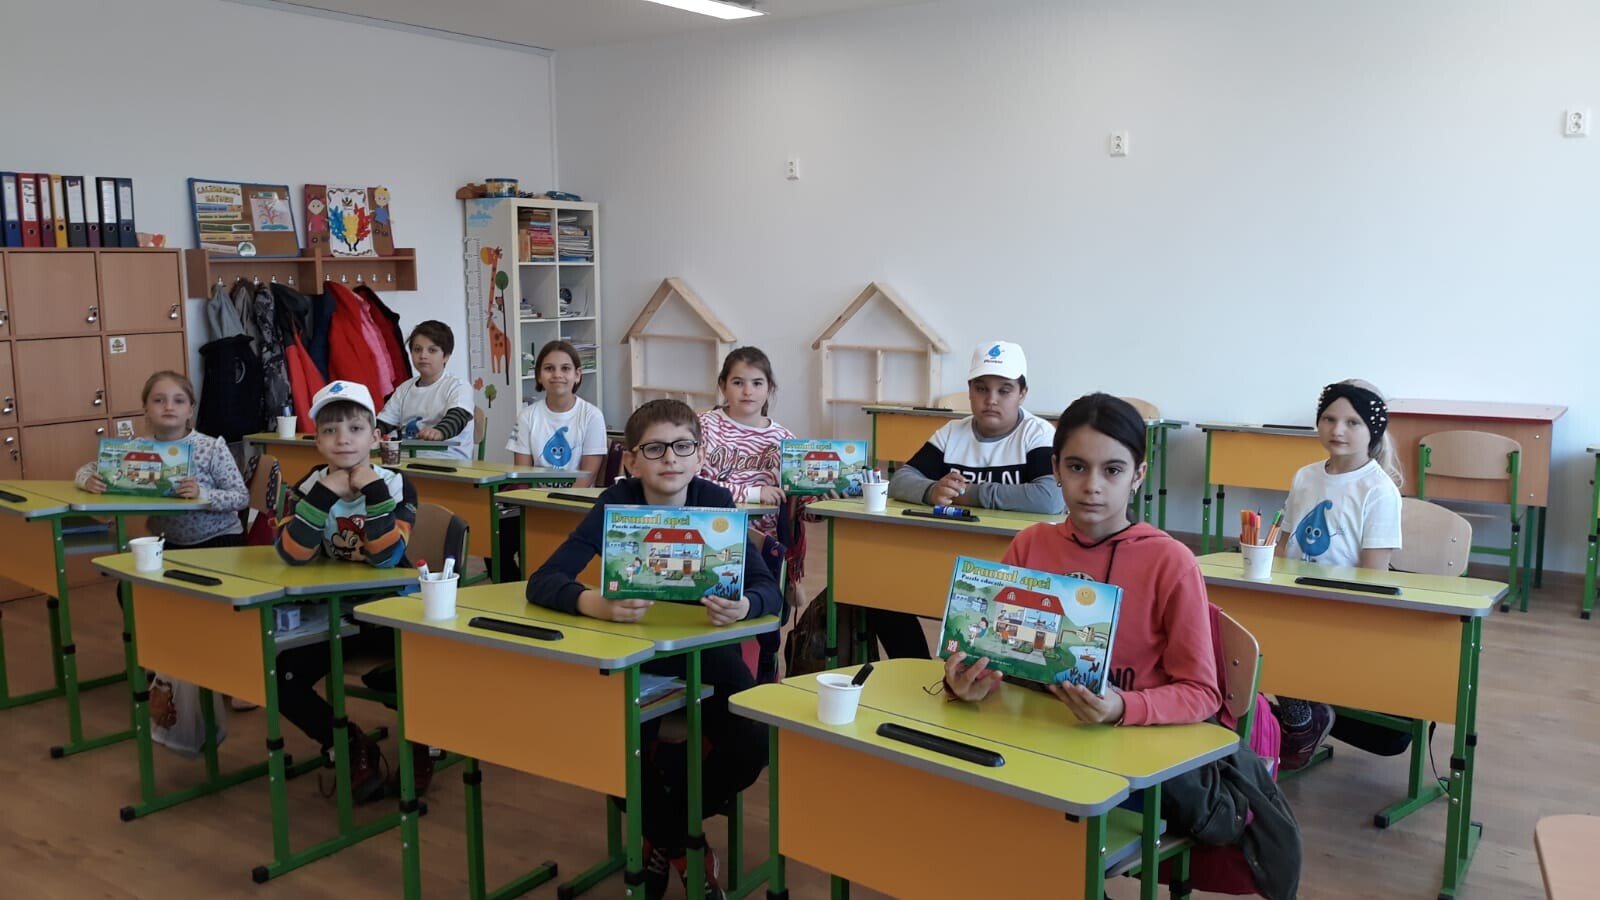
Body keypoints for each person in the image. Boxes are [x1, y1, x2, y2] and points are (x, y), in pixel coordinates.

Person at [943, 392, 1299, 899]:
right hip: (1037, 747)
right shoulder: (1030, 545)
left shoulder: (1169, 562)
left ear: (1138, 475)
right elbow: (999, 654)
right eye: (1076, 467)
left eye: (1112, 470)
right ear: (1055, 469)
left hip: (1129, 768)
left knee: (1031, 830)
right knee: (955, 797)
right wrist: (967, 682)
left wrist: (1121, 707)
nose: (1092, 486)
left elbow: (1202, 693)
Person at [527, 399, 781, 900]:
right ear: (631, 460)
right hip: (634, 652)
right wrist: (592, 603)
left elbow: (769, 592)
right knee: (611, 746)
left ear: (700, 454)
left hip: (705, 651)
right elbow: (543, 580)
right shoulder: (616, 503)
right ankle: (685, 844)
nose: (670, 459)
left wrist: (745, 606)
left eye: (683, 447)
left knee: (754, 743)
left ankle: (664, 832)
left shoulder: (714, 501)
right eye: (655, 449)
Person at [275, 380, 421, 803]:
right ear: (317, 440)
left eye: (355, 429)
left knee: (417, 670)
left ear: (375, 437)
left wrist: (372, 491)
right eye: (330, 430)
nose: (343, 439)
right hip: (336, 615)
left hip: (393, 613)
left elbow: (387, 557)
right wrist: (324, 495)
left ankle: (425, 747)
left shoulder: (396, 484)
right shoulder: (309, 485)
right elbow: (292, 554)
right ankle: (346, 744)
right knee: (282, 676)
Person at [880, 340, 1062, 658]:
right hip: (946, 552)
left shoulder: (1038, 434)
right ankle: (914, 663)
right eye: (981, 389)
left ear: (1022, 393)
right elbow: (900, 480)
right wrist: (931, 491)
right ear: (969, 391)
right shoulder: (952, 432)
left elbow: (1049, 499)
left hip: (1017, 563)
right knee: (881, 592)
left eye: (1004, 390)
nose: (991, 400)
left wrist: (967, 493)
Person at [1273, 379, 1406, 770]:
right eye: (1329, 419)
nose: (1337, 430)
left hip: (1338, 606)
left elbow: (1373, 575)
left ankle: (1302, 720)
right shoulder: (1305, 476)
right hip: (1295, 597)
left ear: (1372, 430)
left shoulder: (1378, 490)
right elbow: (1284, 546)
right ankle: (1290, 719)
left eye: (1352, 422)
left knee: (1280, 642)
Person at [76, 371, 249, 549]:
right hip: (166, 540)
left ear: (190, 410)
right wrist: (87, 481)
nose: (169, 407)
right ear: (146, 409)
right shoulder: (138, 447)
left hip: (218, 538)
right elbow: (88, 470)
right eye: (159, 400)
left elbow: (241, 497)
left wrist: (201, 494)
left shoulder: (211, 448)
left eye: (179, 401)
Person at [376, 320, 474, 461]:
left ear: (446, 356)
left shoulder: (458, 386)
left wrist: (439, 431)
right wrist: (368, 433)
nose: (423, 355)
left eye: (432, 350)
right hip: (405, 460)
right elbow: (384, 423)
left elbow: (458, 417)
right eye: (417, 349)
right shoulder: (404, 388)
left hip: (447, 460)